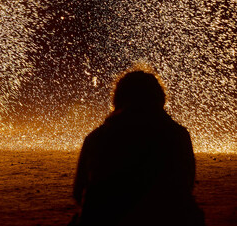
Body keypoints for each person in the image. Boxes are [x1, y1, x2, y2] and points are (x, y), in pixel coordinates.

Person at [72, 67, 204, 225]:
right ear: (159, 97)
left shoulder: (97, 137)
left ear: (118, 98)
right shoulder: (178, 135)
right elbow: (186, 184)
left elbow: (78, 193)